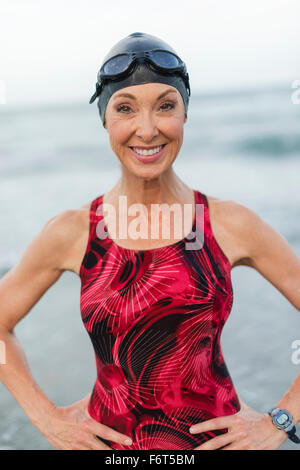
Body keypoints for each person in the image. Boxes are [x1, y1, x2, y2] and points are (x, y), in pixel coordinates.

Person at [0, 32, 300, 451]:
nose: (147, 129)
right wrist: (46, 418)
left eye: (165, 106)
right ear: (105, 118)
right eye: (125, 109)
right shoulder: (75, 232)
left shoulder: (227, 223)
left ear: (185, 113)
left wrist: (280, 420)